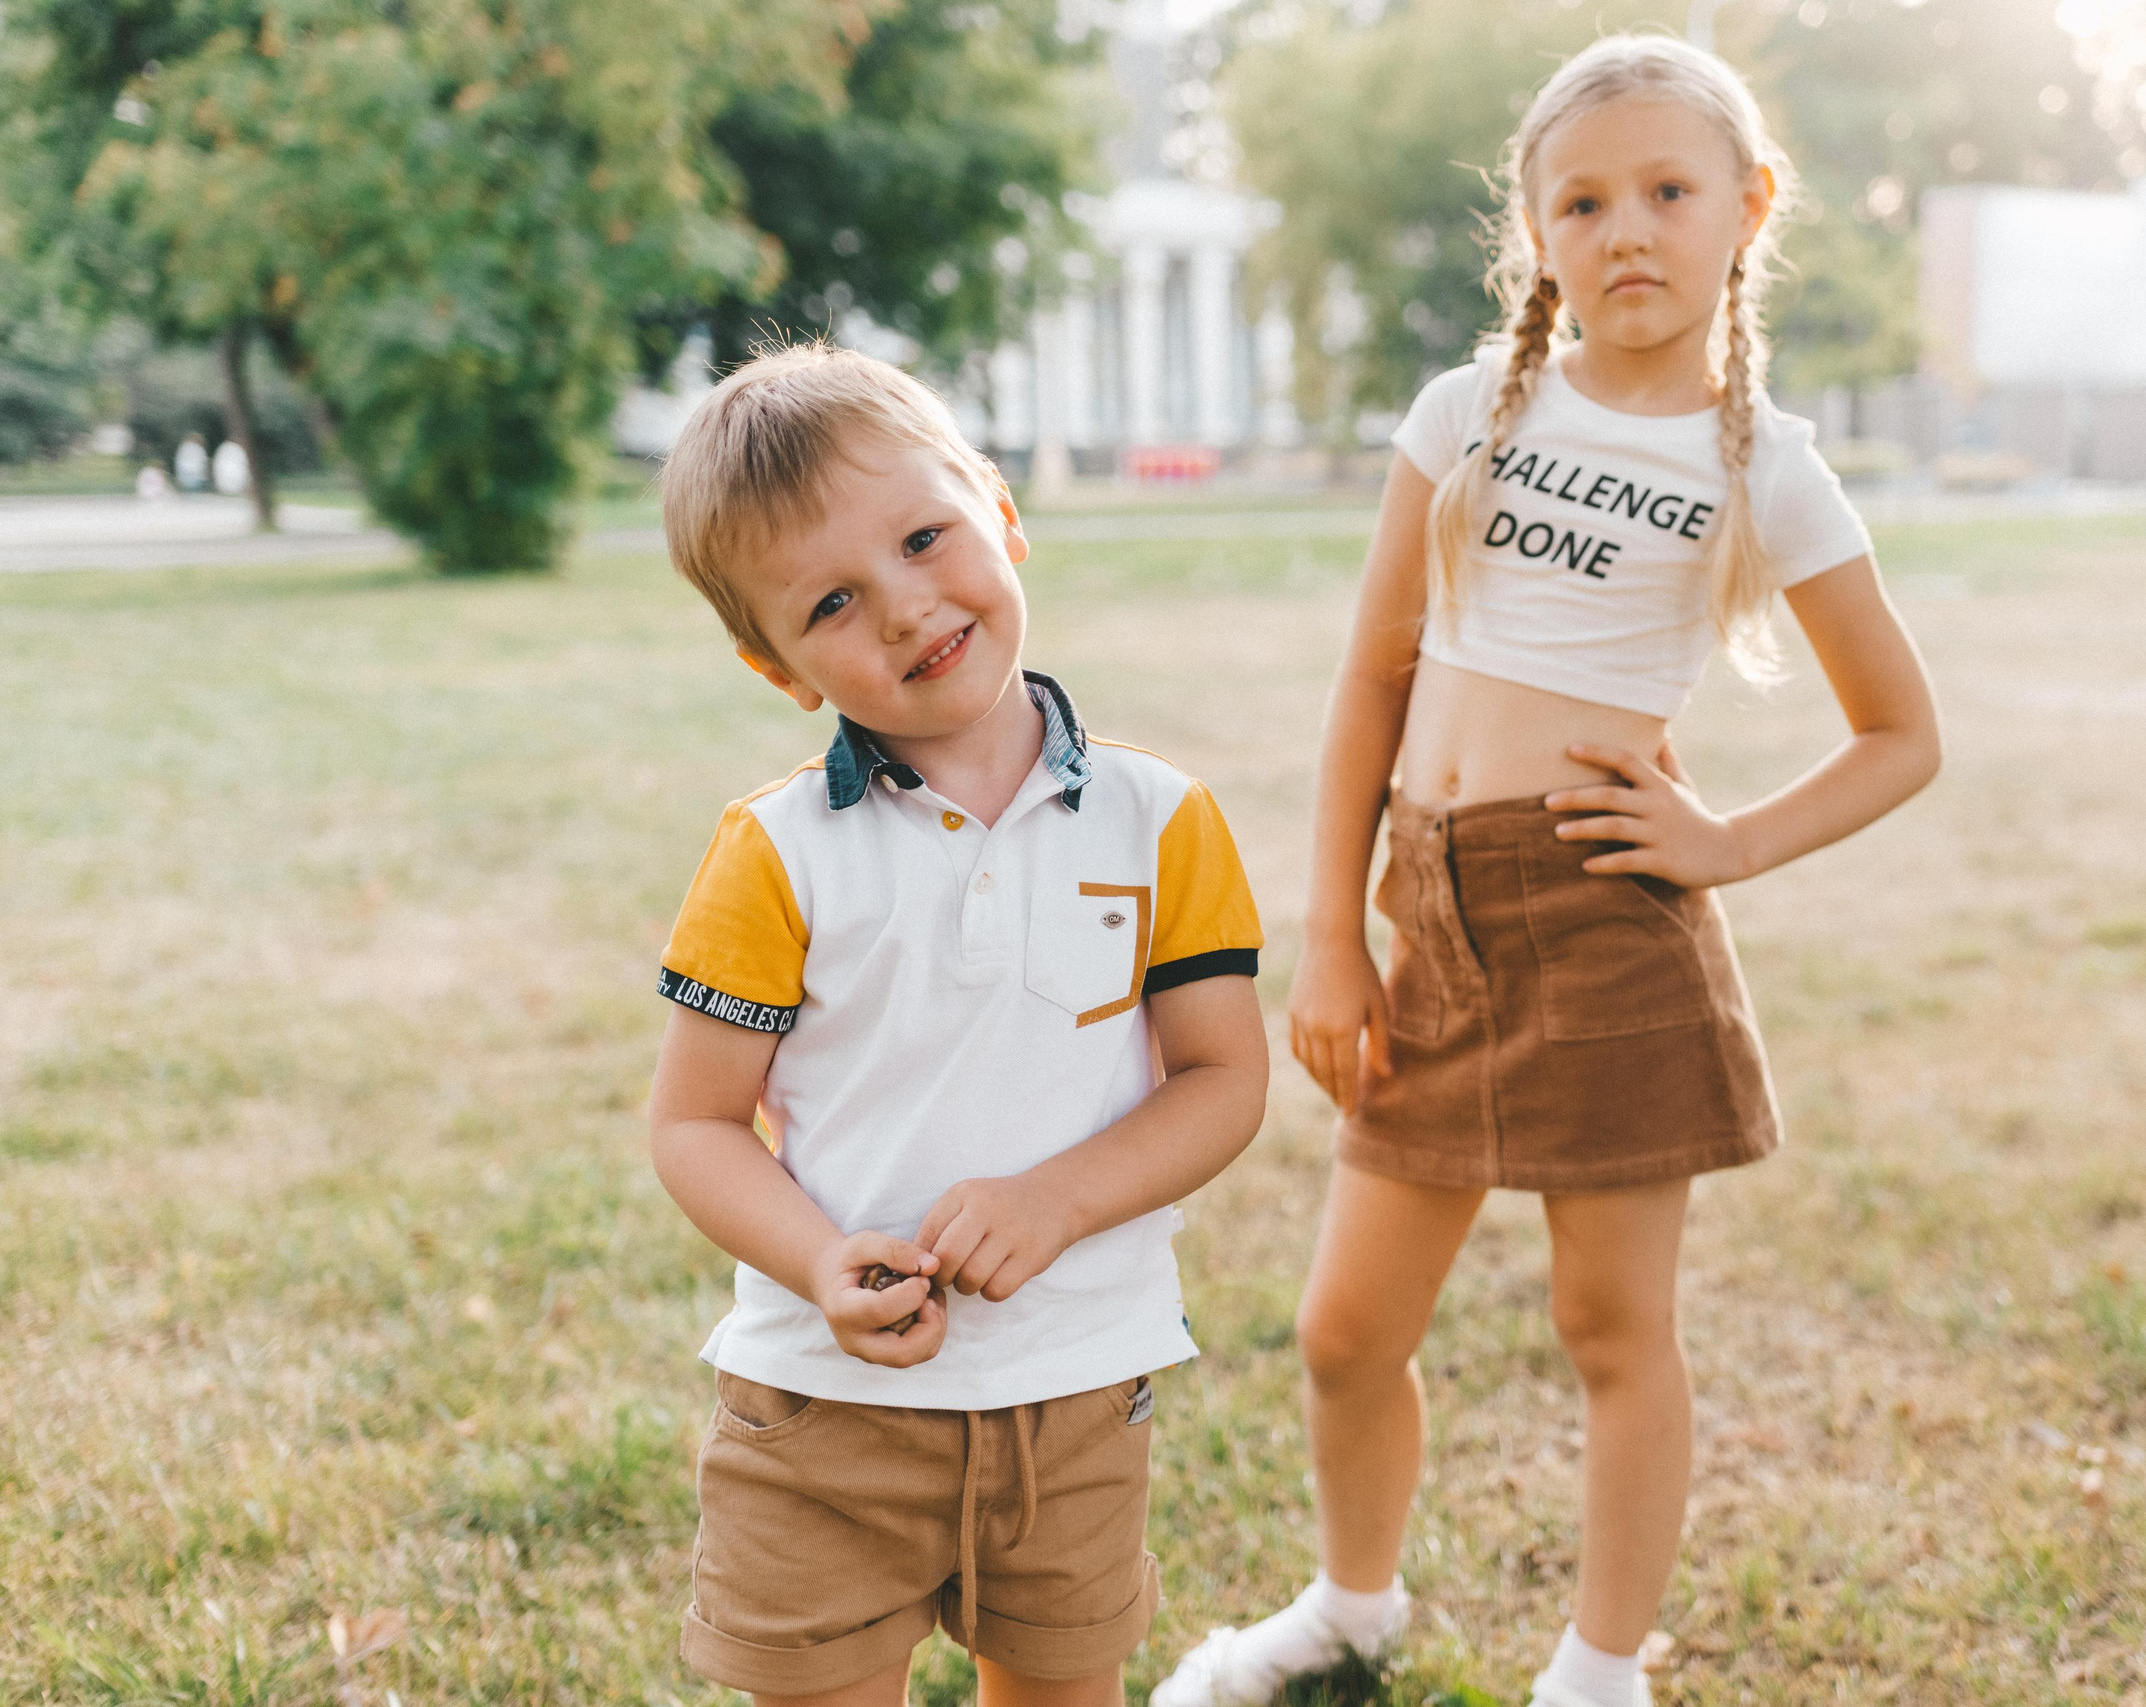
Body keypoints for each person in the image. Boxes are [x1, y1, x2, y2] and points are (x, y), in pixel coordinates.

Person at [1153, 32, 1940, 1707]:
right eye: (1582, 201)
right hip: (1425, 913)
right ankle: (1351, 1612)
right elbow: (1372, 677)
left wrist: (1724, 843)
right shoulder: (1469, 415)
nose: (1628, 229)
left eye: (1668, 190)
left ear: (1749, 205)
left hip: (1602, 926)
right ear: (1536, 232)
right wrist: (1333, 942)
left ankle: (1599, 1672)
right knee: (1347, 1329)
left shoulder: (1763, 466)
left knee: (1609, 1328)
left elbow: (1901, 734)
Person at [645, 342, 1270, 1707]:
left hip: (1075, 1393)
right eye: (832, 603)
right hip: (824, 1416)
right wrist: (817, 1259)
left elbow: (1222, 1081)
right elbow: (694, 1124)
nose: (909, 607)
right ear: (777, 667)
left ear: (1001, 505)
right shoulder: (773, 851)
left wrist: (1058, 1200)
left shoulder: (1163, 819)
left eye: (927, 536)